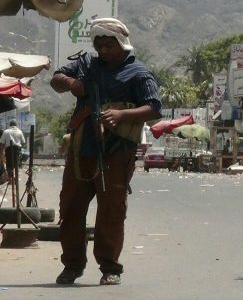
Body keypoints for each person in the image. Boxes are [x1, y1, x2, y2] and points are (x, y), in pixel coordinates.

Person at [50, 17, 161, 286]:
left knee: (111, 211)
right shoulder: (86, 64)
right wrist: (72, 84)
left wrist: (122, 114)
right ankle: (72, 266)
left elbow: (154, 107)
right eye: (99, 45)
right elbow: (56, 79)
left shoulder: (138, 73)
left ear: (122, 43)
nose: (103, 50)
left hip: (116, 150)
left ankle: (110, 268)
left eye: (109, 45)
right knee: (71, 208)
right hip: (81, 148)